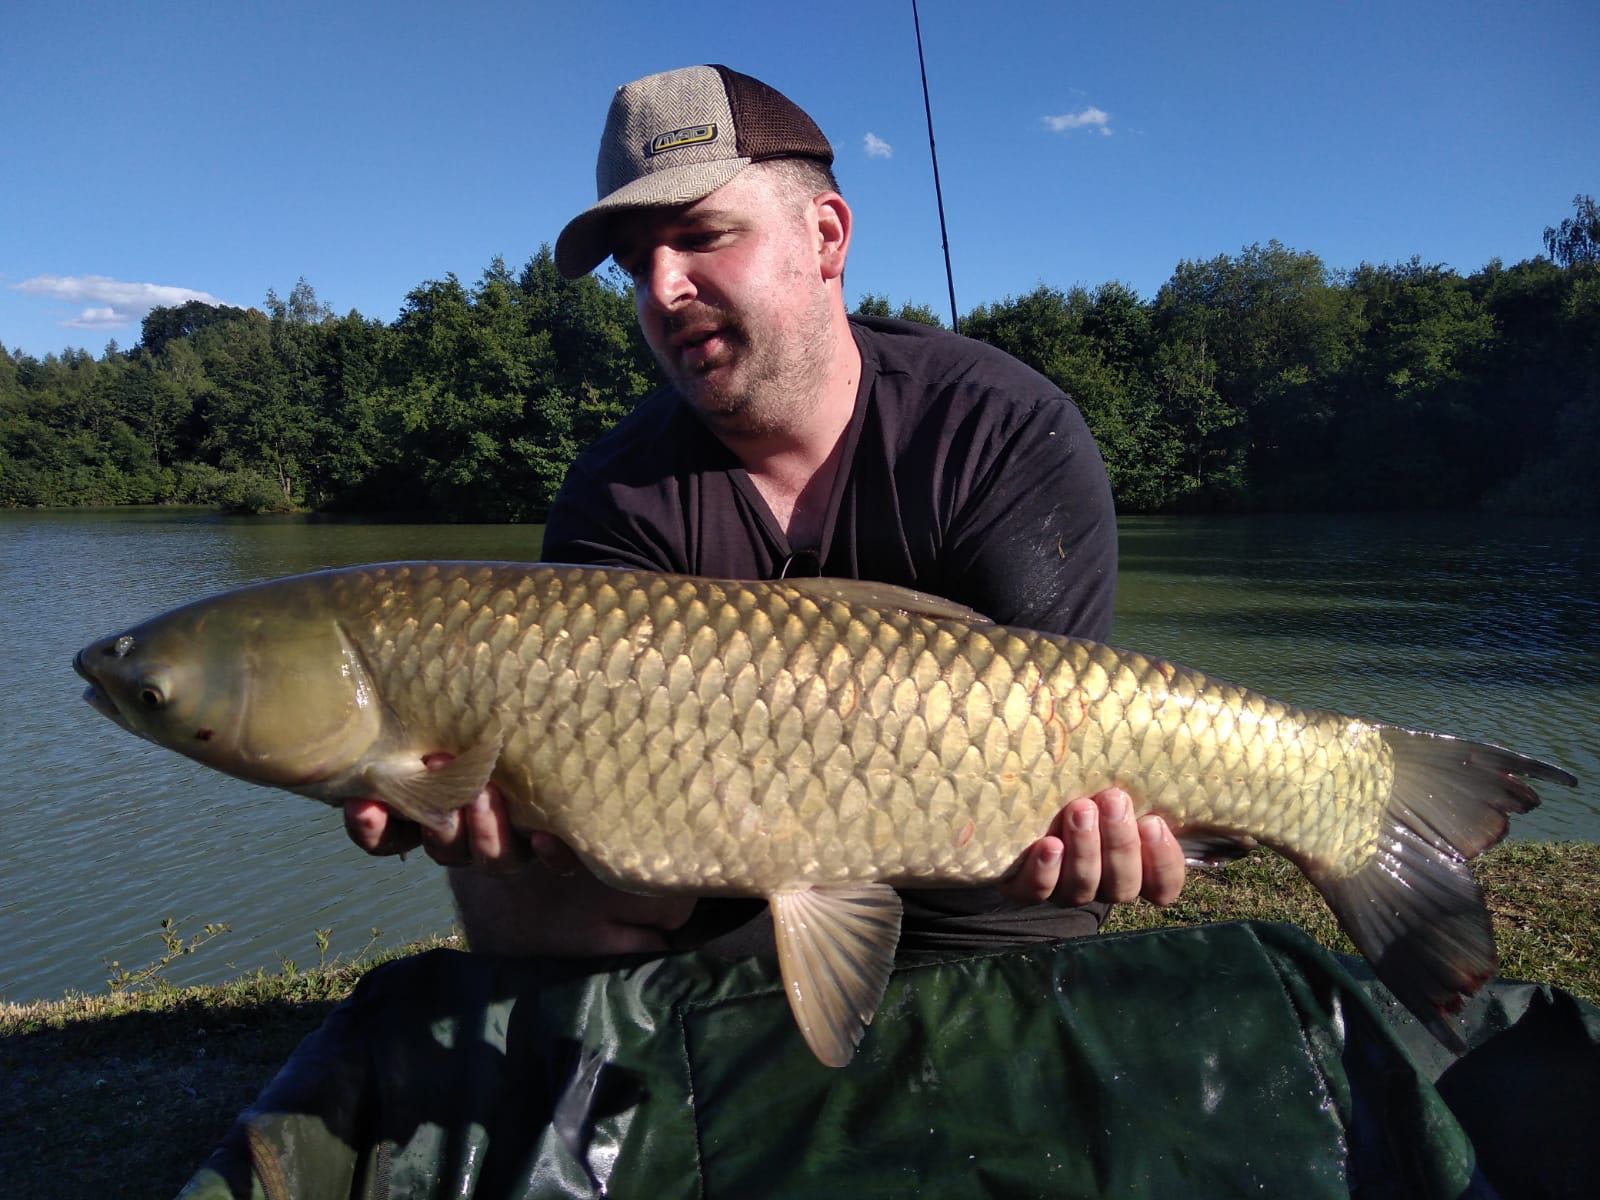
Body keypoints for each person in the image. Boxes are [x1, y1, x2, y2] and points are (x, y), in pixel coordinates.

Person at [343, 64, 1185, 959]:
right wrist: (511, 829)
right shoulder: (615, 491)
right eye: (638, 266)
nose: (662, 289)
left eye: (701, 235)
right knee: (509, 893)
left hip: (990, 892)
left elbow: (1061, 737)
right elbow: (596, 803)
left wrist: (1098, 834)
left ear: (825, 237)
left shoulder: (1006, 429)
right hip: (725, 897)